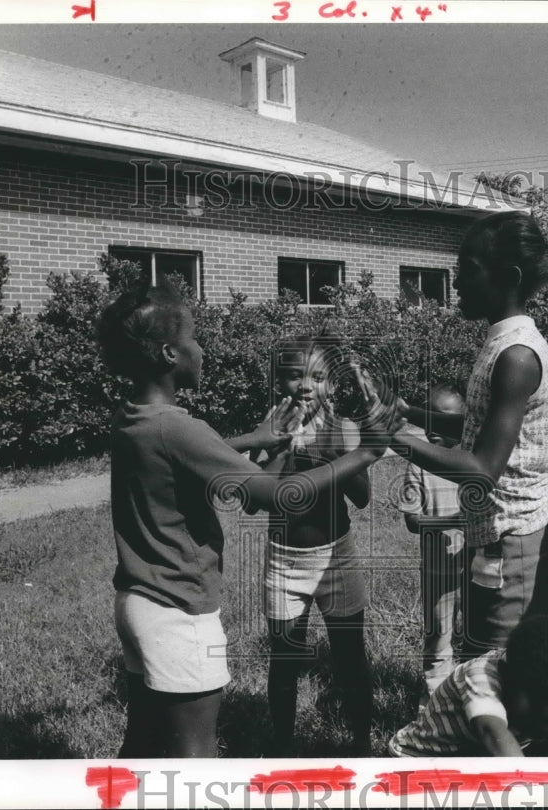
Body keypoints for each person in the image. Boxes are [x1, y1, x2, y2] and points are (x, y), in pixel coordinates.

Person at [97, 284, 395, 758]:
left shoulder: (133, 415)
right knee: (196, 757)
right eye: (194, 338)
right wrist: (364, 452)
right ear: (171, 353)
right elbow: (269, 493)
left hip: (138, 597)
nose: (202, 348)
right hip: (178, 603)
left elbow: (193, 453)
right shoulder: (177, 426)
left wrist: (261, 439)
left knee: (143, 745)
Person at [392, 211, 548, 659]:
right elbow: (478, 429)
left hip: (517, 540)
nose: (457, 283)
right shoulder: (500, 343)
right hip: (495, 537)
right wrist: (408, 412)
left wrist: (390, 436)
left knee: (504, 679)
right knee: (489, 668)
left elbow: (483, 469)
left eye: (467, 270)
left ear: (508, 278)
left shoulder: (517, 355)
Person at [260, 334, 374, 757]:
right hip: (284, 561)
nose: (305, 386)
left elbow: (362, 496)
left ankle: (361, 746)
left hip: (336, 557)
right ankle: (283, 748)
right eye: (294, 376)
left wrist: (332, 457)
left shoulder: (342, 427)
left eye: (317, 377)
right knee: (285, 662)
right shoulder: (271, 426)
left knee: (350, 659)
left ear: (332, 384)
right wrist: (280, 449)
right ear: (279, 382)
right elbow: (257, 495)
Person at [388, 615, 548, 757]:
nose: (537, 736)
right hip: (418, 763)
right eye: (536, 727)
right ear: (511, 688)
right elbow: (491, 733)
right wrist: (531, 792)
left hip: (472, 760)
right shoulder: (481, 677)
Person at [397, 383, 467, 703]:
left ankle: (470, 700)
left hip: (476, 570)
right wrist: (453, 522)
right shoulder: (419, 464)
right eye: (429, 418)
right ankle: (436, 705)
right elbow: (412, 521)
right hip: (438, 573)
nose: (434, 427)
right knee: (439, 639)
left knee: (476, 637)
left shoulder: (474, 459)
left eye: (445, 419)